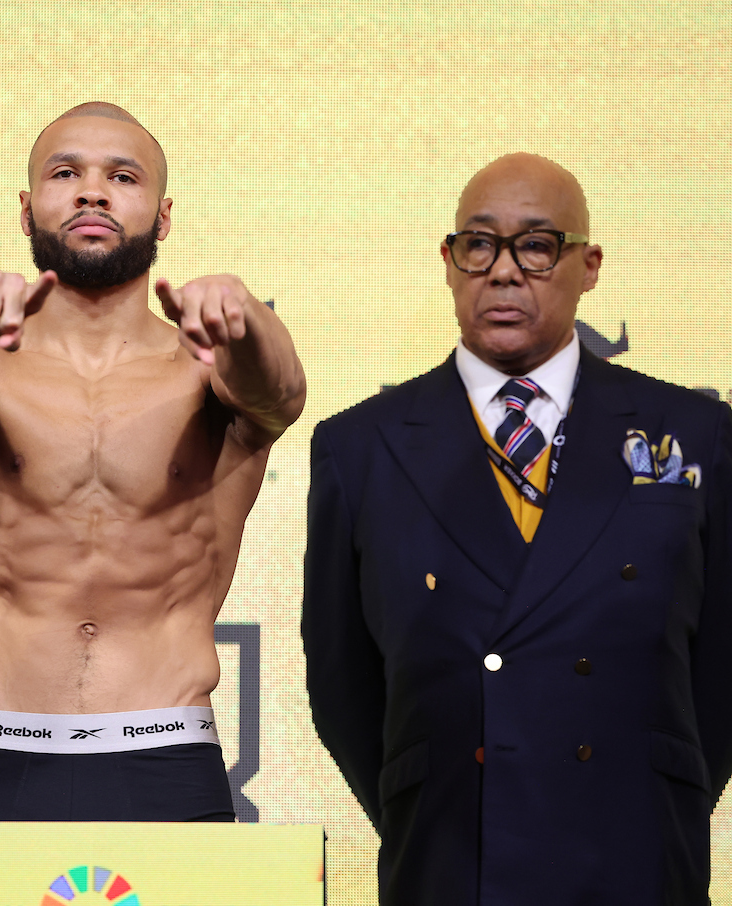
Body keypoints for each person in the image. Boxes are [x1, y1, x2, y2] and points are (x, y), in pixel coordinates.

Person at [302, 153, 732, 904]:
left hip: (636, 855)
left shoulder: (697, 432)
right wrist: (433, 800)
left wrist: (661, 795)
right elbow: (344, 685)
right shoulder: (361, 447)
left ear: (588, 265)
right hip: (451, 859)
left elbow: (722, 669)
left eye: (536, 246)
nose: (503, 272)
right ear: (448, 261)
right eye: (479, 244)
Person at [0, 102, 305, 821]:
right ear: (26, 208)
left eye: (123, 176)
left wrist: (246, 314)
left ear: (163, 216)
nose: (92, 192)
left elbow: (282, 395)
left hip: (165, 750)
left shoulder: (209, 368)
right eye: (65, 172)